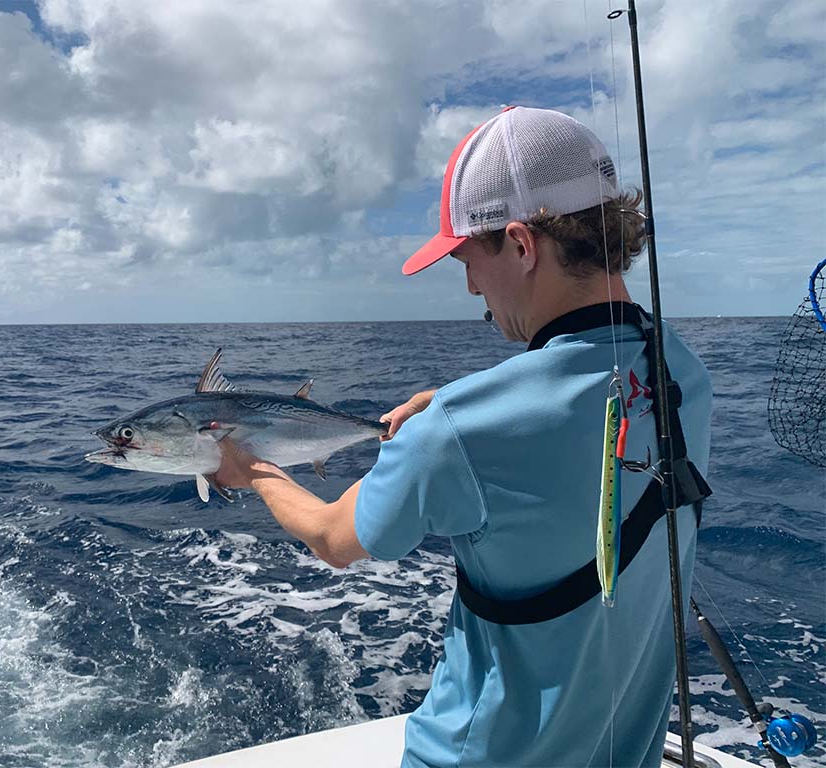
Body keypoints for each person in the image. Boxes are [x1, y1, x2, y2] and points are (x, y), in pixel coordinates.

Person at [214, 106, 713, 767]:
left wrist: (251, 469)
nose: (471, 286)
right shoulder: (683, 373)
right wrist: (460, 407)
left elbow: (334, 538)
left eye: (467, 260)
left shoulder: (457, 432)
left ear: (522, 245)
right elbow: (569, 408)